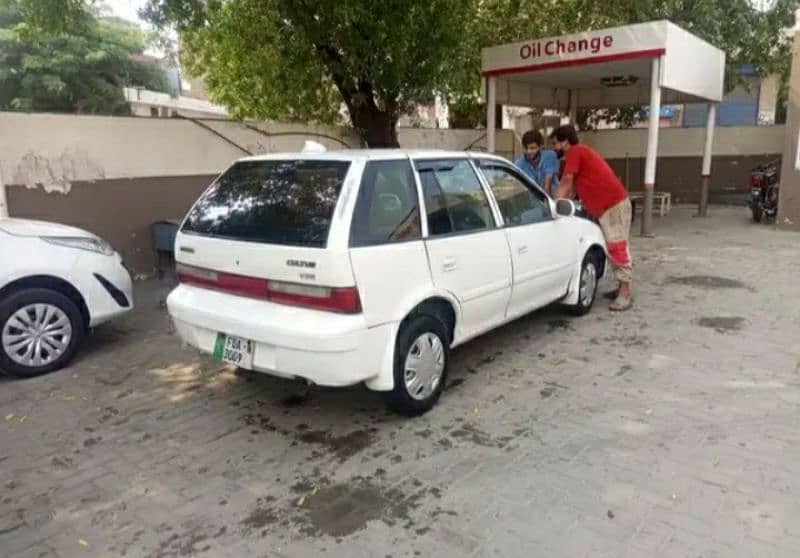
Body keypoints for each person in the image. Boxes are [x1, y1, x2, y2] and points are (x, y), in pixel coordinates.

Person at [550, 125, 633, 311]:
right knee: (613, 247)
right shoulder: (580, 154)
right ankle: (622, 286)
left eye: (555, 143)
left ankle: (625, 292)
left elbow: (566, 182)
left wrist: (551, 206)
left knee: (617, 246)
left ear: (565, 142)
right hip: (610, 206)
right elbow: (572, 190)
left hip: (612, 206)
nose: (554, 148)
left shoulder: (575, 152)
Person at [514, 130, 560, 195]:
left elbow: (548, 184)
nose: (529, 151)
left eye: (532, 148)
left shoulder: (550, 156)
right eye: (526, 148)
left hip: (551, 197)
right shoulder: (519, 163)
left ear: (540, 146)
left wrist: (545, 201)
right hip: (532, 199)